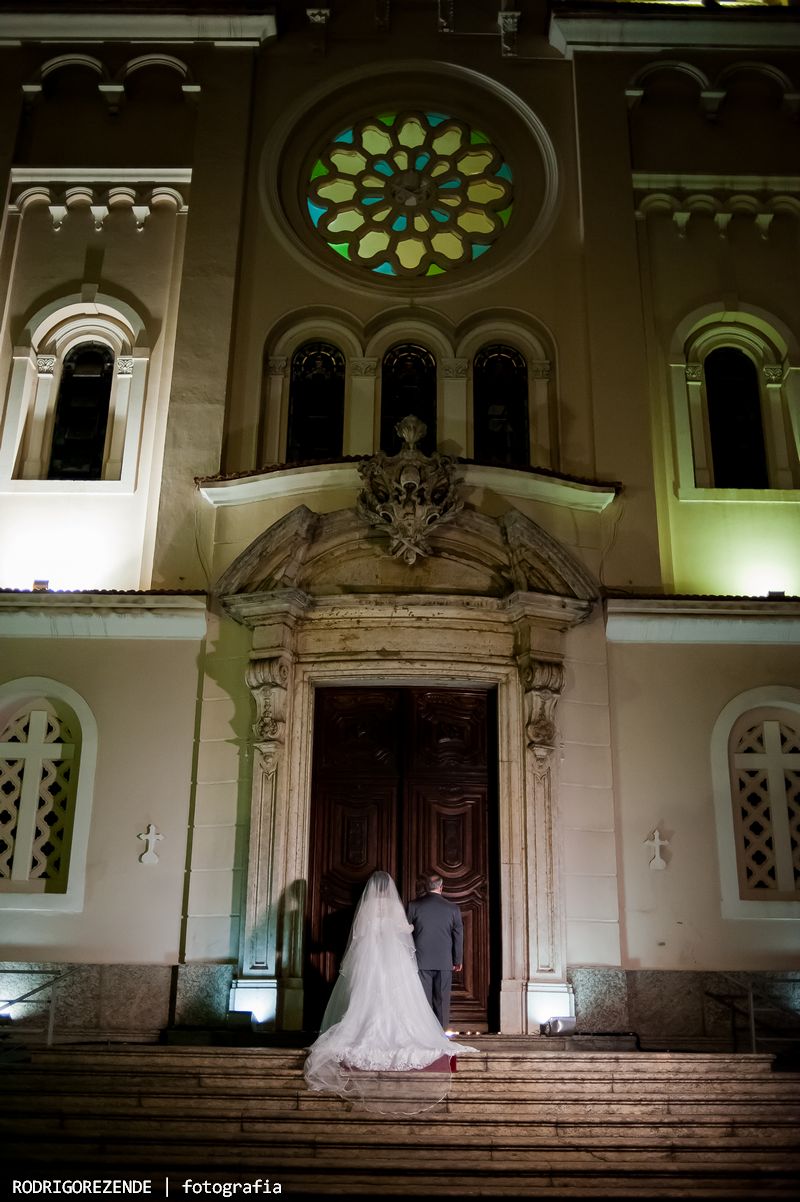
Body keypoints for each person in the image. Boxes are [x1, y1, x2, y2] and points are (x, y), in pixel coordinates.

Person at [303, 870, 476, 1106]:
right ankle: (435, 1031)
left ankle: (366, 1027)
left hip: (371, 959)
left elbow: (359, 934)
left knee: (368, 995)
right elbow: (405, 932)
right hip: (396, 959)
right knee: (405, 998)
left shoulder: (372, 906)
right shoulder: (400, 907)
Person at [406, 871, 463, 1029]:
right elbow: (458, 936)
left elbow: (404, 933)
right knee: (442, 1001)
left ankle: (423, 1033)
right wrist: (457, 960)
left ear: (426, 887)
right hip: (445, 961)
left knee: (422, 1001)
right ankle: (441, 1034)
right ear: (441, 887)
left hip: (420, 961)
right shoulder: (453, 908)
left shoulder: (413, 906)